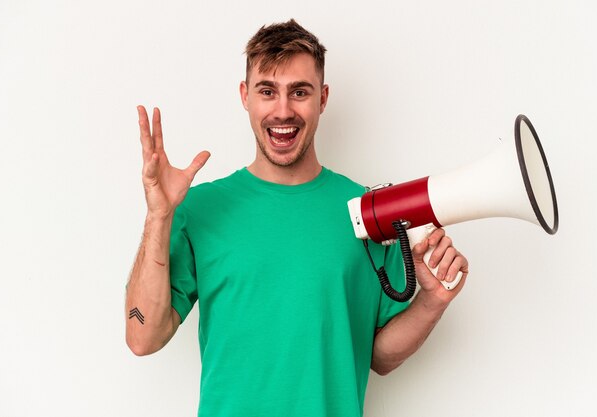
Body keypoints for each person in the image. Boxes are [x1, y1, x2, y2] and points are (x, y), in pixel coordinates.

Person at [126, 19, 469, 417]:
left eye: (299, 92)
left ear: (322, 98)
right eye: (267, 91)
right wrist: (158, 217)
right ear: (245, 96)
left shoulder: (370, 212)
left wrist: (431, 302)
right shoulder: (198, 208)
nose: (283, 110)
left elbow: (380, 357)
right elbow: (142, 336)